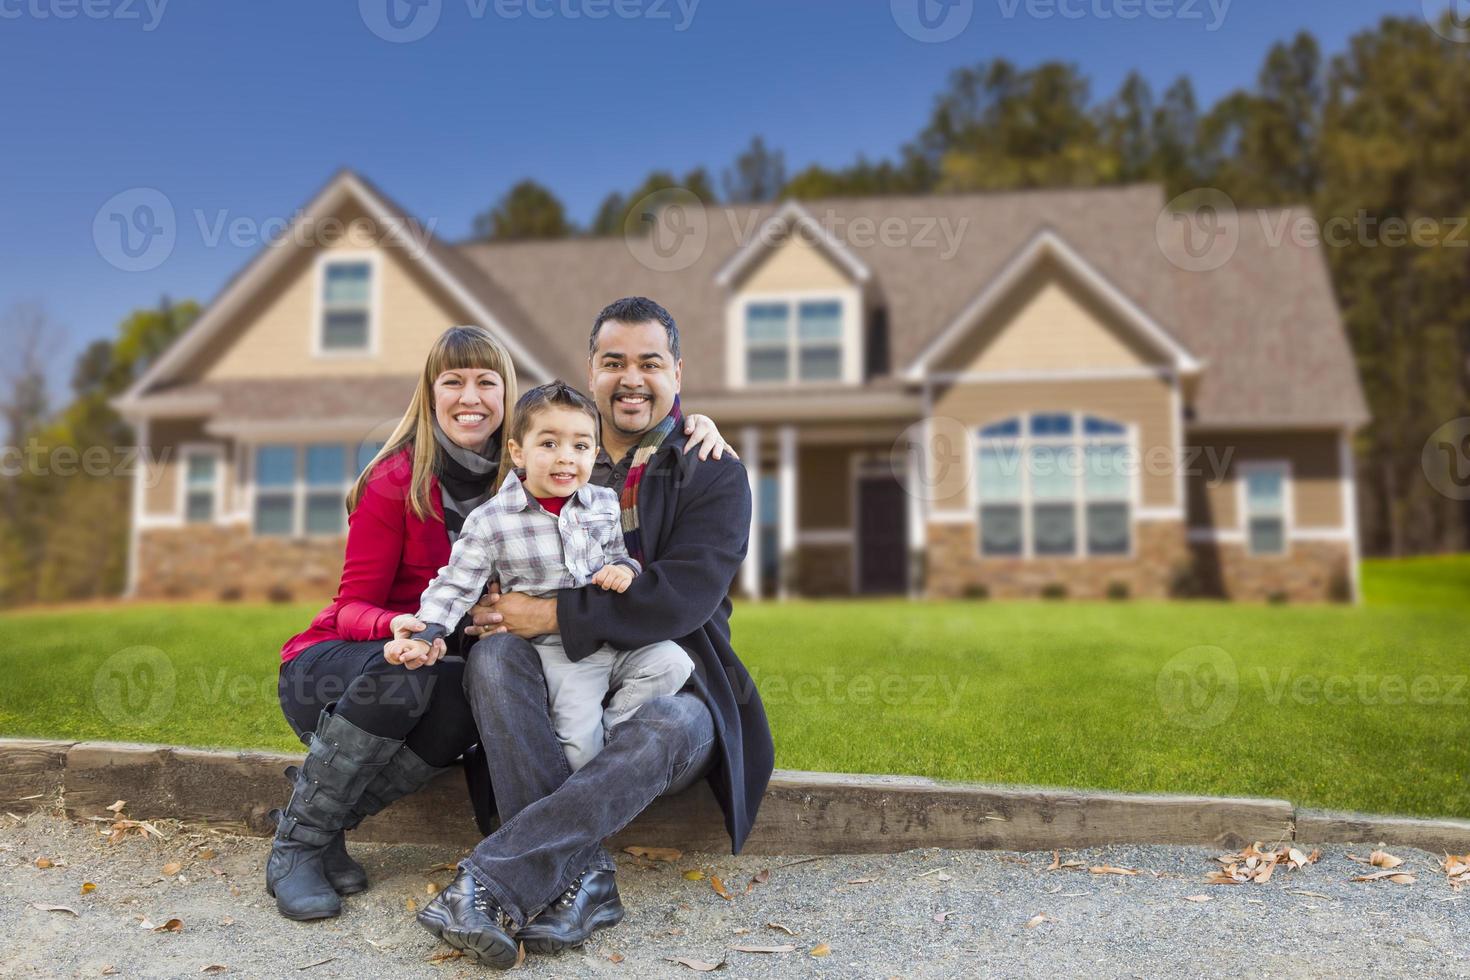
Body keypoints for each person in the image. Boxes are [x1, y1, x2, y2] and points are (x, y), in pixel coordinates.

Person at [268, 324, 732, 921]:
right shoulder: (396, 482)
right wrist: (410, 627)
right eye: (453, 382)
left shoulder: (538, 471)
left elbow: (619, 430)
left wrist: (699, 423)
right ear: (429, 394)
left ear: (509, 402)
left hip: (445, 666)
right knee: (415, 671)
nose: (470, 397)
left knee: (469, 690)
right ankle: (299, 844)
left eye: (487, 382)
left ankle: (325, 826)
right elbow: (347, 607)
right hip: (352, 664)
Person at [416, 297, 773, 969]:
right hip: (553, 682)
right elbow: (460, 464)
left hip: (673, 682)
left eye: (650, 363)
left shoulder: (710, 468)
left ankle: (494, 880)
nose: (631, 378)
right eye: (614, 363)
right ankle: (585, 880)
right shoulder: (551, 451)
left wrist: (551, 613)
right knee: (493, 657)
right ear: (591, 371)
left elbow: (681, 602)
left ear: (678, 372)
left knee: (671, 721)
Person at [385, 380, 694, 772]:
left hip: (612, 638)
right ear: (518, 452)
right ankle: (591, 773)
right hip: (560, 652)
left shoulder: (602, 503)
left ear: (594, 453)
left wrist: (624, 570)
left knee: (673, 662)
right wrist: (427, 631)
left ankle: (617, 731)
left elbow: (619, 555)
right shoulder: (491, 521)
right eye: (549, 444)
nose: (566, 458)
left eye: (580, 446)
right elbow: (455, 584)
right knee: (580, 751)